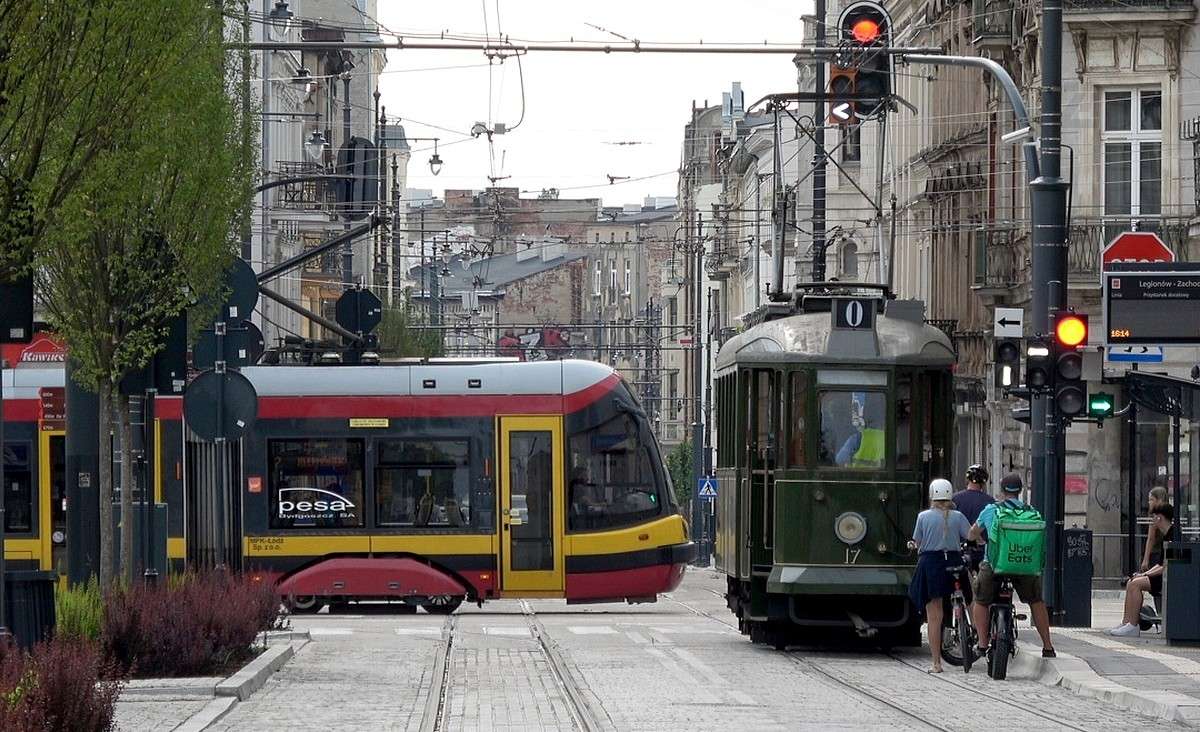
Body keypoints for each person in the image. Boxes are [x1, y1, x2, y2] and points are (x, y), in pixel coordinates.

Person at [968, 472, 1056, 659]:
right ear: (1020, 490)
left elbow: (972, 533)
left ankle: (982, 645)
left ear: (1001, 490)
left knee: (981, 600)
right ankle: (1048, 646)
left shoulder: (991, 510)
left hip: (994, 565)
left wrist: (976, 539)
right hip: (1025, 566)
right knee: (1036, 601)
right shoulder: (1032, 512)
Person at [907, 478, 973, 674]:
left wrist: (912, 545)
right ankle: (979, 637)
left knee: (934, 615)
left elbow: (917, 541)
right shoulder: (958, 516)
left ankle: (936, 663)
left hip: (931, 565)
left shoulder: (923, 517)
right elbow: (969, 536)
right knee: (971, 599)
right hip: (953, 561)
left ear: (932, 496)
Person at [1110, 503, 1175, 637]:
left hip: (1169, 577)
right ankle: (1126, 622)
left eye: (1153, 517)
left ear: (1159, 518)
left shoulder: (1173, 535)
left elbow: (1165, 566)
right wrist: (1143, 574)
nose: (1152, 521)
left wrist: (1144, 575)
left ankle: (1133, 625)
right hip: (1163, 574)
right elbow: (1161, 563)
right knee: (1131, 581)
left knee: (1135, 584)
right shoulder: (1167, 534)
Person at [953, 464, 995, 572]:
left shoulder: (955, 499)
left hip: (959, 550)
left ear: (967, 479)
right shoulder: (990, 502)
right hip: (982, 551)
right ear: (984, 483)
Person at [1140, 486, 1170, 573]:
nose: (1149, 502)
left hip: (1155, 554)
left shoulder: (1155, 517)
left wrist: (1145, 559)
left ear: (1159, 500)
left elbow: (1151, 538)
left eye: (1151, 500)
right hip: (1161, 553)